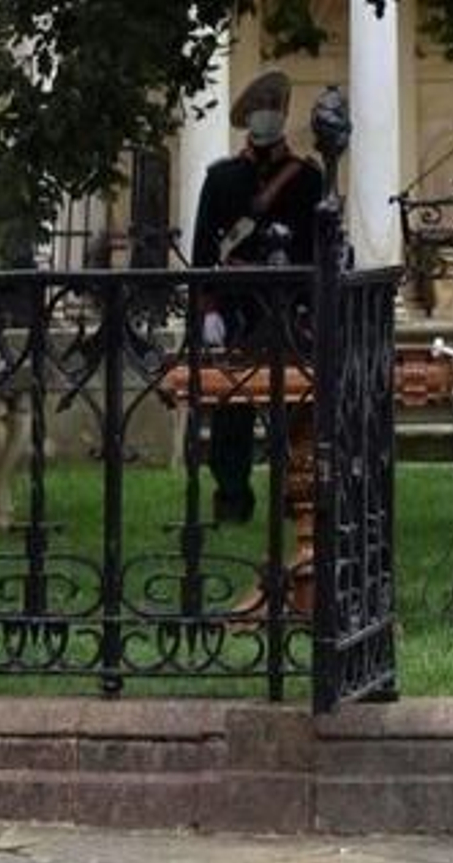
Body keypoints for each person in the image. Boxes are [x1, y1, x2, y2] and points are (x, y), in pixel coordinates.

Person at [191, 69, 323, 523]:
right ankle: (231, 496)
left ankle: (296, 489)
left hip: (290, 305)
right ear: (248, 118)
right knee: (233, 407)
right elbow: (204, 248)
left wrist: (313, 306)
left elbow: (317, 247)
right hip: (238, 307)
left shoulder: (306, 179)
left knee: (298, 403)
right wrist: (207, 307)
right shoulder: (223, 178)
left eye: (274, 108)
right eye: (260, 109)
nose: (267, 117)